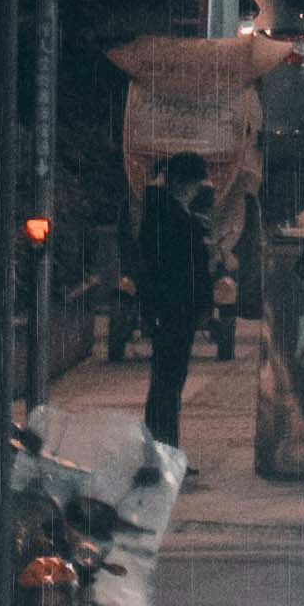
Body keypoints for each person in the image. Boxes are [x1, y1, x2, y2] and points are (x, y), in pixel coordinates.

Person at [127, 153, 214, 487]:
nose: (197, 189)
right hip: (173, 310)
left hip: (174, 311)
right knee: (167, 385)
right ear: (181, 182)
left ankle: (165, 452)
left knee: (168, 385)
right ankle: (161, 455)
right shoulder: (168, 218)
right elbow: (174, 269)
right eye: (195, 182)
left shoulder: (166, 214)